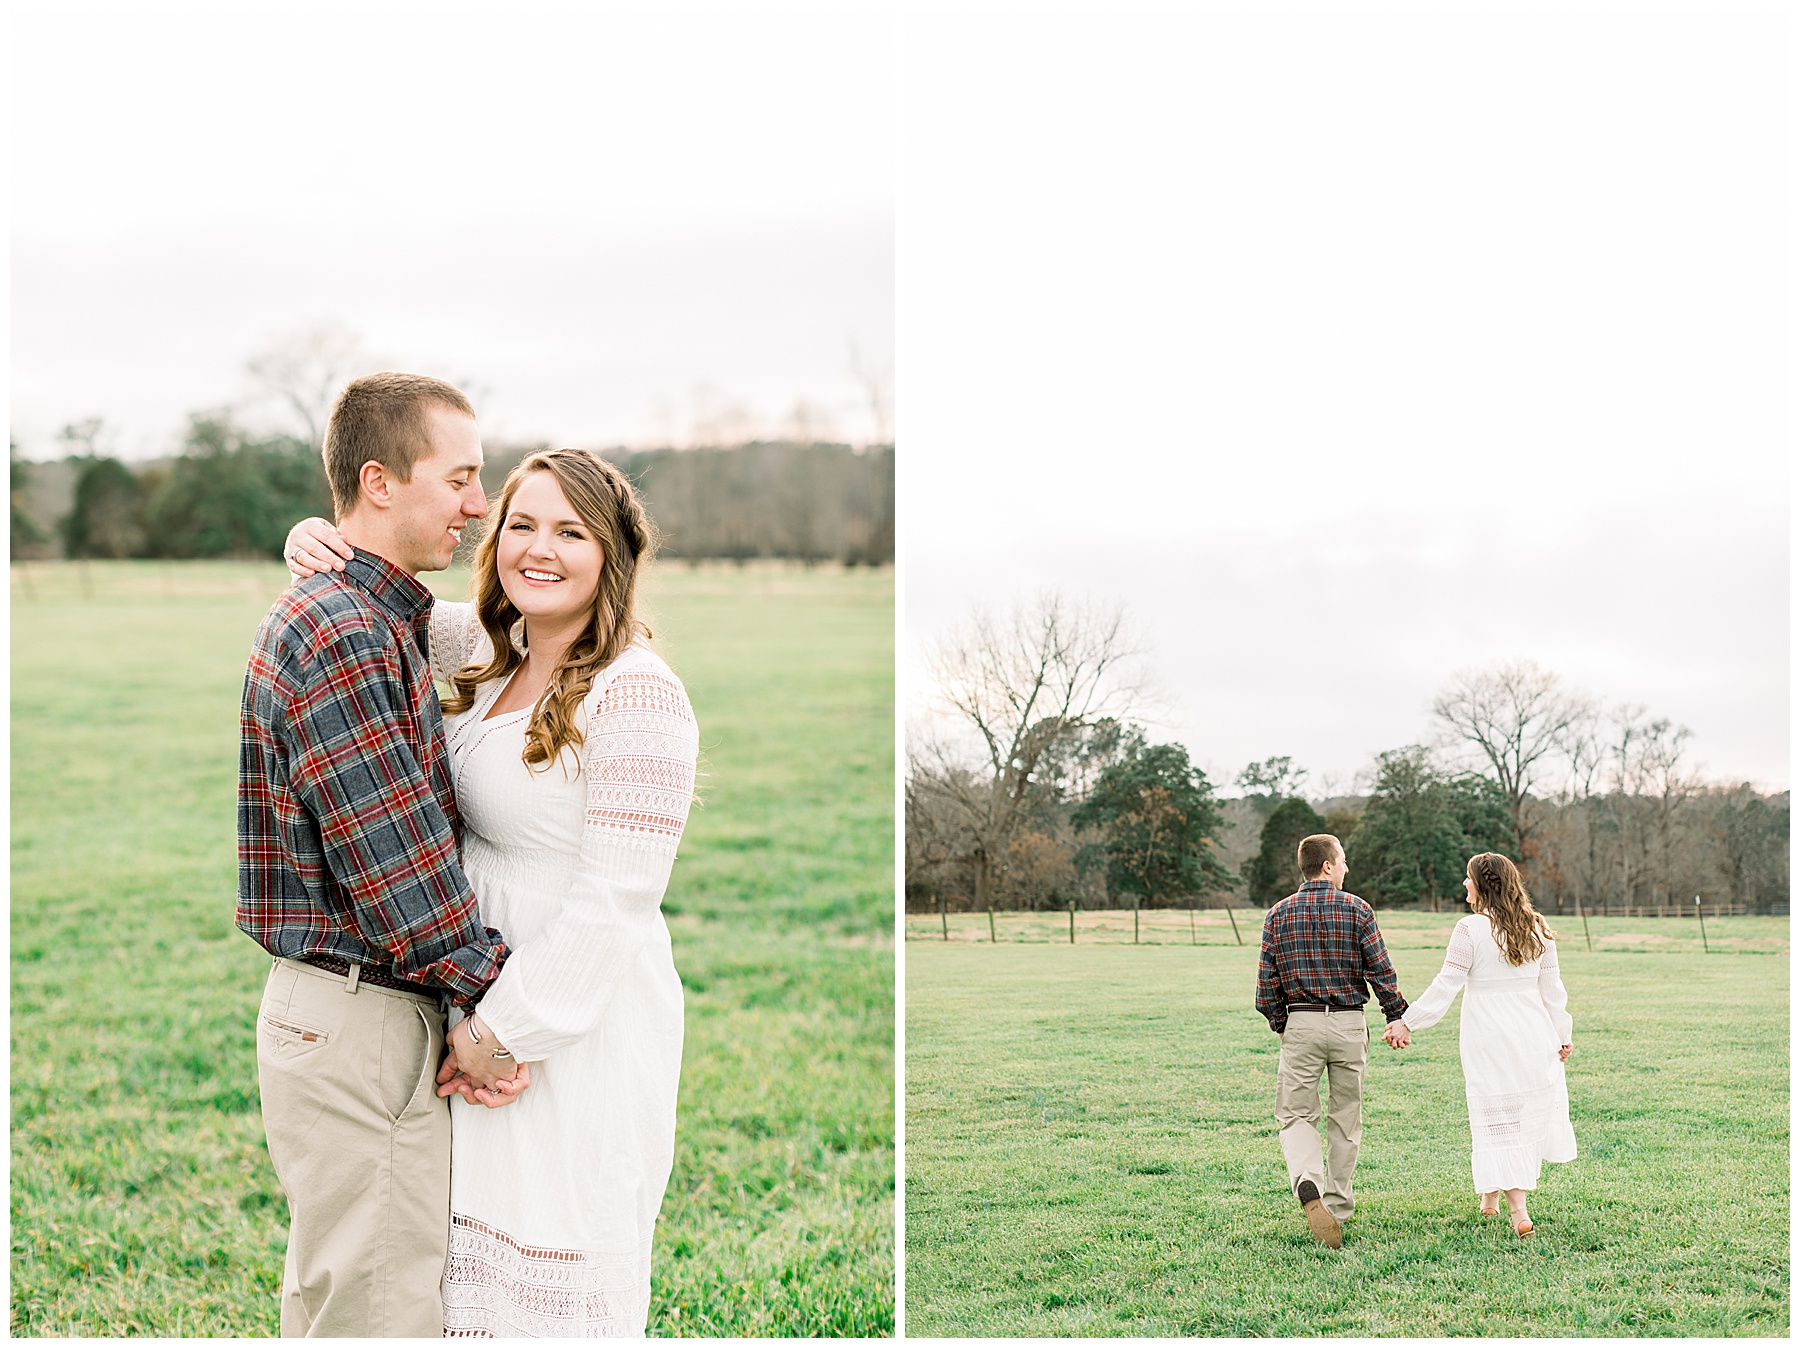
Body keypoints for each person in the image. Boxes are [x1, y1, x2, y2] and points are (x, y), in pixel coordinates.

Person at [283, 445, 699, 1336]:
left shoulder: (638, 695)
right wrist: (317, 539)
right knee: (465, 1283)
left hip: (567, 1024)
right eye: (521, 525)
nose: (538, 550)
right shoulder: (490, 646)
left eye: (570, 532)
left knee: (554, 1274)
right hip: (473, 1002)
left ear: (613, 555)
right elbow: (383, 596)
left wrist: (502, 1033)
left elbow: (616, 901)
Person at [239, 372, 531, 1338]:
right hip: (361, 1018)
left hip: (346, 1013)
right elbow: (398, 873)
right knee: (377, 1313)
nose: (477, 506)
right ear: (379, 482)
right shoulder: (346, 631)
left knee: (348, 1295)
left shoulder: (370, 616)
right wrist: (508, 1009)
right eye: (459, 479)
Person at [1386, 852, 1575, 1237]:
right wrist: (1562, 1034)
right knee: (1510, 1114)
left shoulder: (1469, 929)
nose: (1464, 885)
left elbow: (1446, 985)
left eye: (1468, 879)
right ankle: (1489, 1197)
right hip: (1533, 1034)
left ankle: (1518, 1209)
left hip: (1489, 1036)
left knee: (1496, 1114)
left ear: (1484, 886)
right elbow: (1553, 991)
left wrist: (1407, 1022)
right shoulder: (1537, 927)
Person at [1255, 833, 1409, 1249]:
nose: (1346, 868)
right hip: (1347, 1024)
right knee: (1346, 1119)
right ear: (1327, 865)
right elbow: (1381, 971)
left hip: (1301, 1023)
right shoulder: (1358, 909)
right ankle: (1338, 1207)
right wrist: (1397, 1016)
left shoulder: (1278, 914)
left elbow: (1265, 984)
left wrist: (1280, 1023)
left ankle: (1308, 1180)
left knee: (1296, 1115)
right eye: (1342, 861)